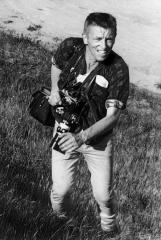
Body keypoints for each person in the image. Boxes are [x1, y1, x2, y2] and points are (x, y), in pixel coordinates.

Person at [48, 12, 129, 234]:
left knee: (103, 195)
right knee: (60, 190)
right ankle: (64, 224)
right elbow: (55, 64)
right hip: (65, 132)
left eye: (110, 38)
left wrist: (82, 137)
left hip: (98, 141)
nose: (104, 45)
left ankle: (109, 227)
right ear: (85, 38)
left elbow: (112, 117)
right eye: (98, 39)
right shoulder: (70, 48)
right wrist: (55, 89)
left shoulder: (118, 68)